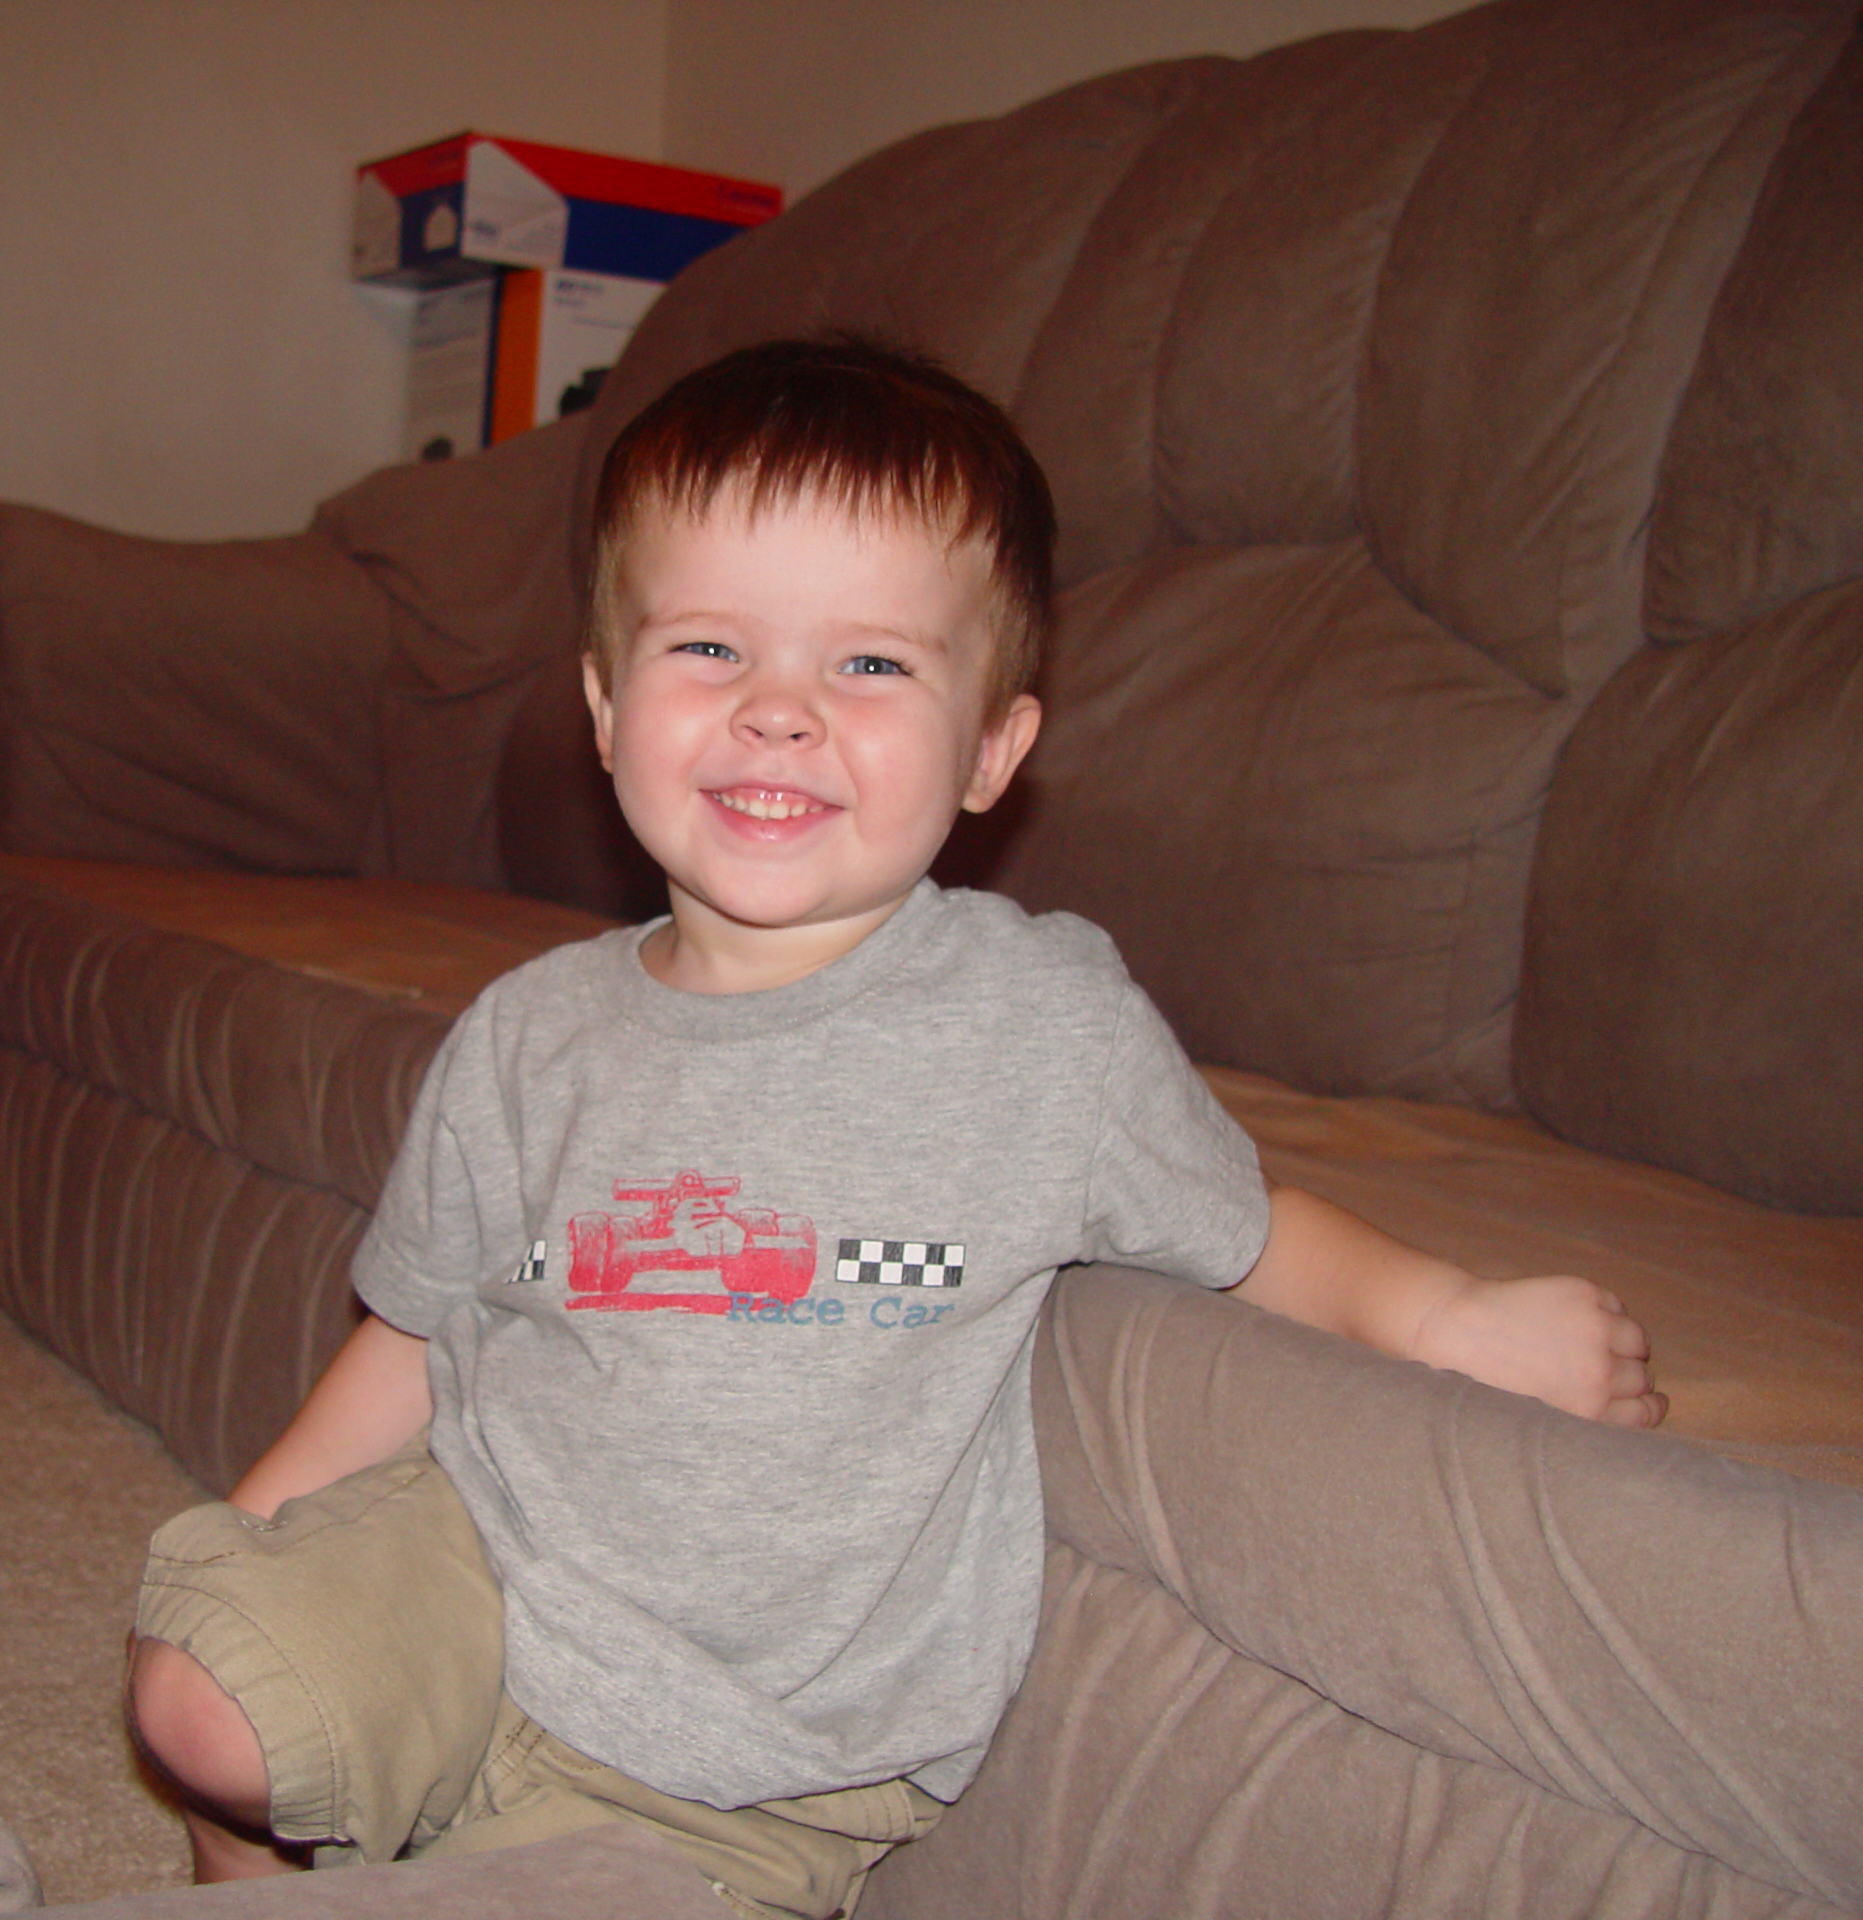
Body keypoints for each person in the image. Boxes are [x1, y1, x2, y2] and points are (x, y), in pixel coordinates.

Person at [126, 336, 1664, 1919]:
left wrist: (1448, 1312)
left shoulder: (1042, 1027)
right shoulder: (527, 1036)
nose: (779, 714)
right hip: (476, 1574)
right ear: (603, 706)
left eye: (869, 666)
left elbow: (1250, 1224)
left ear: (995, 749)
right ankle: (245, 1857)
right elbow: (425, 1327)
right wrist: (264, 1523)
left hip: (767, 1755)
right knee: (195, 1690)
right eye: (711, 649)